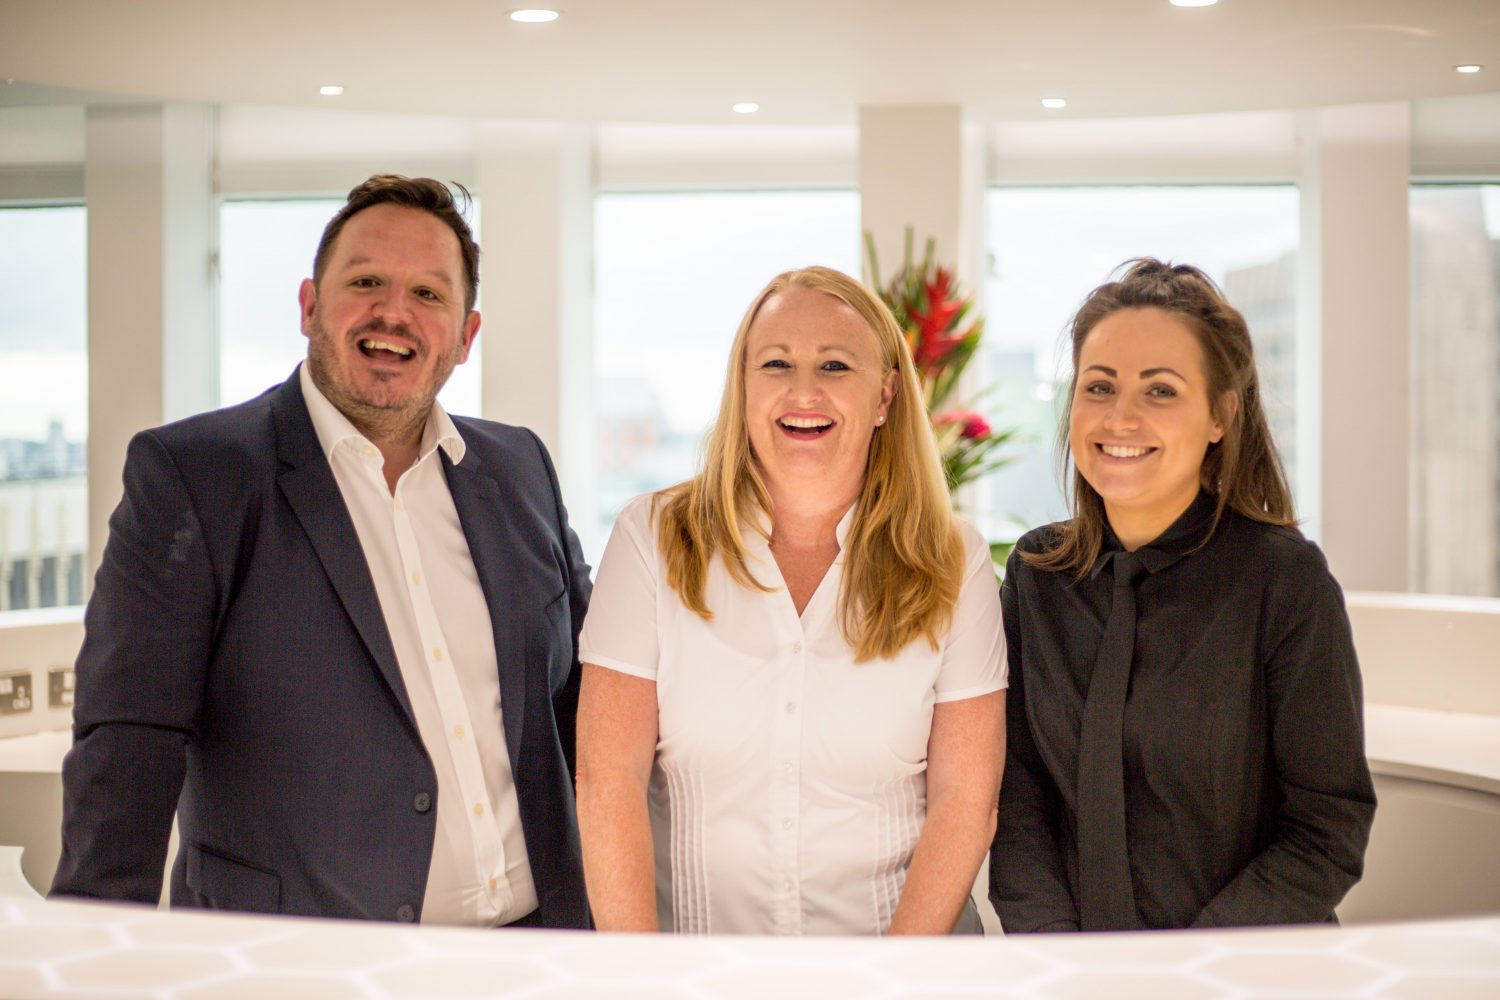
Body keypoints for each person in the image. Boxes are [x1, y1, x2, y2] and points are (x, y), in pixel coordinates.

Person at [50, 174, 591, 929]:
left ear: (466, 336)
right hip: (304, 959)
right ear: (310, 306)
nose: (393, 312)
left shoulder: (520, 468)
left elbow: (588, 700)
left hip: (543, 948)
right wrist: (96, 951)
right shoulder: (198, 474)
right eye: (365, 281)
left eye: (429, 295)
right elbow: (131, 741)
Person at [574, 266, 1006, 935]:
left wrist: (888, 984)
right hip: (697, 974)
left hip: (902, 969)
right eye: (776, 363)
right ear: (743, 388)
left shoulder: (956, 562)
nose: (803, 391)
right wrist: (645, 979)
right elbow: (609, 782)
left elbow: (965, 802)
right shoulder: (650, 539)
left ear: (886, 395)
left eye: (835, 365)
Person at [990, 258, 1376, 933]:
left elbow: (1326, 830)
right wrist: (1063, 963)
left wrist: (1182, 975)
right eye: (1099, 386)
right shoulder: (1035, 575)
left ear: (1221, 415)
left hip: (1246, 976)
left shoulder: (1285, 581)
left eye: (1160, 391)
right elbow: (1020, 806)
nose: (1122, 417)